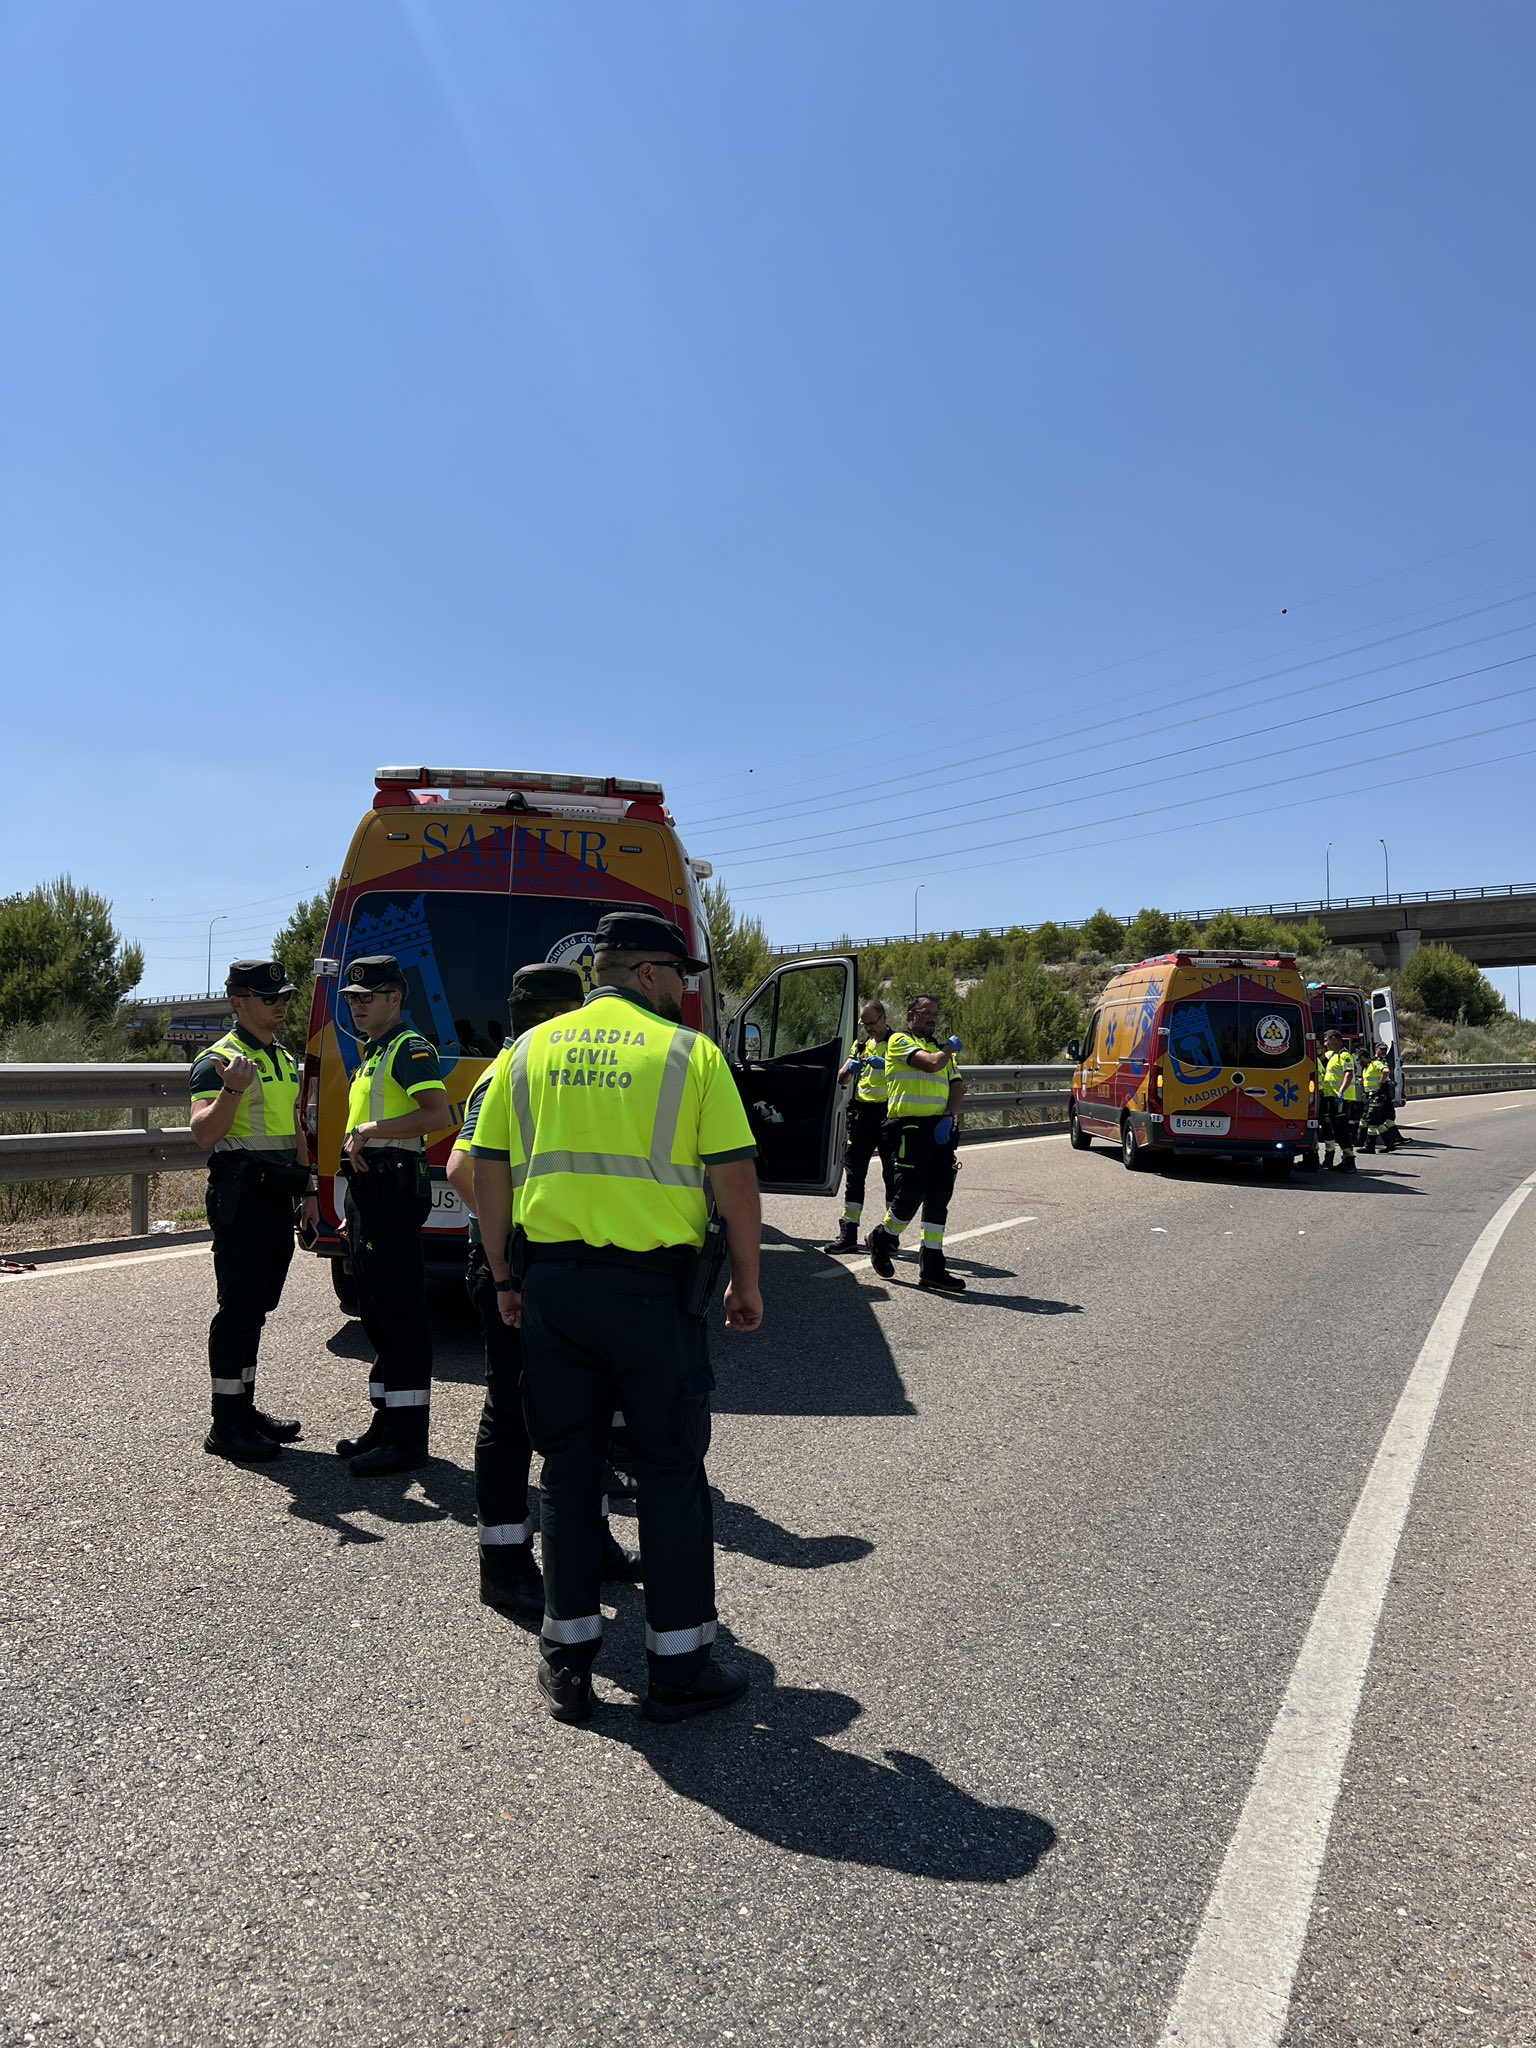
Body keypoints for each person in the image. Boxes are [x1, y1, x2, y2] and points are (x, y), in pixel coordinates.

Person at [471, 909, 763, 1727]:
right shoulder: (689, 1056)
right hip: (652, 1293)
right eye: (679, 976)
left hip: (554, 1288)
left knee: (568, 1473)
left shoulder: (528, 1051)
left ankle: (567, 1667)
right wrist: (747, 1281)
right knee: (670, 1472)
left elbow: (486, 1173)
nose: (684, 991)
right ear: (645, 973)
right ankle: (677, 1671)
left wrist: (503, 1275)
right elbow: (735, 1183)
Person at [445, 964, 639, 1623]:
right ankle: (503, 1565)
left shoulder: (542, 1066)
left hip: (554, 1268)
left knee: (587, 1411)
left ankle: (593, 1541)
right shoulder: (511, 1071)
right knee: (514, 1416)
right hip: (518, 1268)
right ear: (562, 1012)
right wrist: (510, 1254)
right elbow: (460, 1167)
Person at [189, 961, 315, 1462]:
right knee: (238, 1309)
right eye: (269, 997)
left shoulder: (283, 1057)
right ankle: (225, 1425)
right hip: (241, 1197)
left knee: (258, 1308)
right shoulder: (218, 1060)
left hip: (277, 1196)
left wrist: (307, 1192)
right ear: (238, 1003)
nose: (280, 1003)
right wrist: (232, 1089)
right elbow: (203, 1133)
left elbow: (294, 1129)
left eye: (283, 995)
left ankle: (243, 1408)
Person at [333, 954, 451, 1476]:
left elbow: (436, 1114)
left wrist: (371, 1131)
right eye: (353, 998)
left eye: (368, 997)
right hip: (369, 1194)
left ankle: (407, 1439)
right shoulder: (372, 1051)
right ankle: (385, 1423)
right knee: (376, 1312)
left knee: (400, 1314)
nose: (358, 1006)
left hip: (391, 1193)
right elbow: (367, 1125)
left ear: (395, 999)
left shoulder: (408, 1047)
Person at [867, 993, 967, 1291]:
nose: (933, 1018)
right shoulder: (900, 1041)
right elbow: (931, 1065)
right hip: (909, 1127)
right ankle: (882, 1238)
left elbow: (957, 1084)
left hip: (939, 1128)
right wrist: (950, 1048)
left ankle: (933, 1267)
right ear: (911, 1016)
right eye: (926, 1013)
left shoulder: (941, 1048)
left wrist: (949, 1116)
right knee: (912, 1191)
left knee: (939, 1196)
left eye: (936, 1012)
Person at [822, 999, 896, 1254]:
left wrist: (885, 1066)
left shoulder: (898, 1042)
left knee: (892, 1176)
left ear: (884, 1018)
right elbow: (842, 1077)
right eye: (864, 1024)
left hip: (889, 1113)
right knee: (854, 1175)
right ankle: (848, 1233)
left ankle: (888, 1237)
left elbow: (909, 1073)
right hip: (863, 1114)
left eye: (872, 1023)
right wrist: (848, 1070)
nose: (869, 1028)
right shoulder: (861, 1044)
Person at [1319, 1029, 1363, 1173]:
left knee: (1341, 1130)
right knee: (1333, 1129)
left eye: (1326, 1041)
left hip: (1341, 1099)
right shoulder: (1332, 1055)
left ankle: (1349, 1162)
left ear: (1334, 1039)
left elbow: (1348, 1075)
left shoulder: (1345, 1055)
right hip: (1331, 1097)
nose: (1325, 1044)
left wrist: (1340, 1093)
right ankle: (1333, 1160)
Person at [1359, 1047, 1404, 1153]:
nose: (1359, 1062)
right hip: (1370, 1096)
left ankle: (1369, 1146)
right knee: (1378, 1122)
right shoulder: (1367, 1067)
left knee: (1371, 1122)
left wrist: (1381, 1084)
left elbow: (1386, 1071)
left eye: (1359, 1059)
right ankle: (1390, 1144)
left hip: (1377, 1096)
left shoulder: (1375, 1063)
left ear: (1362, 1057)